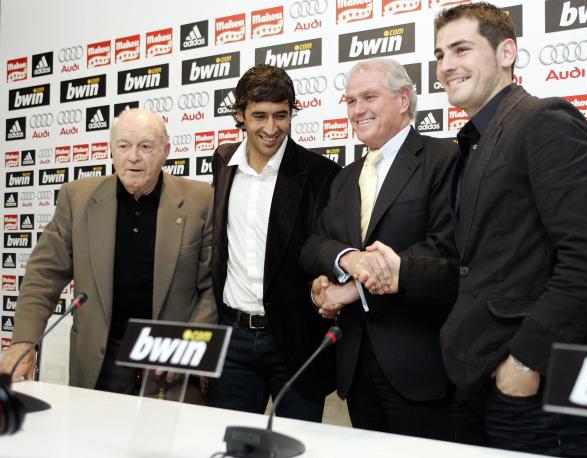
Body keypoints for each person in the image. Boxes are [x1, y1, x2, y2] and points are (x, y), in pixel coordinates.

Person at [354, 3, 587, 456]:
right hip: (475, 381)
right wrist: (401, 271)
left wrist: (525, 360)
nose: (446, 66)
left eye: (461, 49)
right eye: (440, 55)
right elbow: (474, 262)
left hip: (532, 391)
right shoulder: (474, 143)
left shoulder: (543, 121)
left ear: (506, 52)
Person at [0, 109, 216, 399]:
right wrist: (23, 342)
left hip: (169, 358)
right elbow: (43, 274)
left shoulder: (201, 201)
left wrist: (188, 346)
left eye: (146, 146)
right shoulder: (76, 198)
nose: (133, 157)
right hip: (101, 359)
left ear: (165, 151)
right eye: (124, 146)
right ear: (111, 150)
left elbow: (213, 286)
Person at [300, 58, 457, 440]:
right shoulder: (346, 177)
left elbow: (444, 252)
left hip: (420, 369)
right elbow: (314, 245)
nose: (357, 110)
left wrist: (351, 289)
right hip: (356, 370)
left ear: (404, 99)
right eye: (350, 101)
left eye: (369, 97)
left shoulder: (443, 159)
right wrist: (346, 260)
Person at [208, 64, 340, 421]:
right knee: (227, 443)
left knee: (294, 445)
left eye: (281, 116)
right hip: (231, 340)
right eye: (259, 116)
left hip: (295, 341)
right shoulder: (223, 161)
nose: (271, 128)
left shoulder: (320, 173)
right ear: (239, 115)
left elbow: (325, 252)